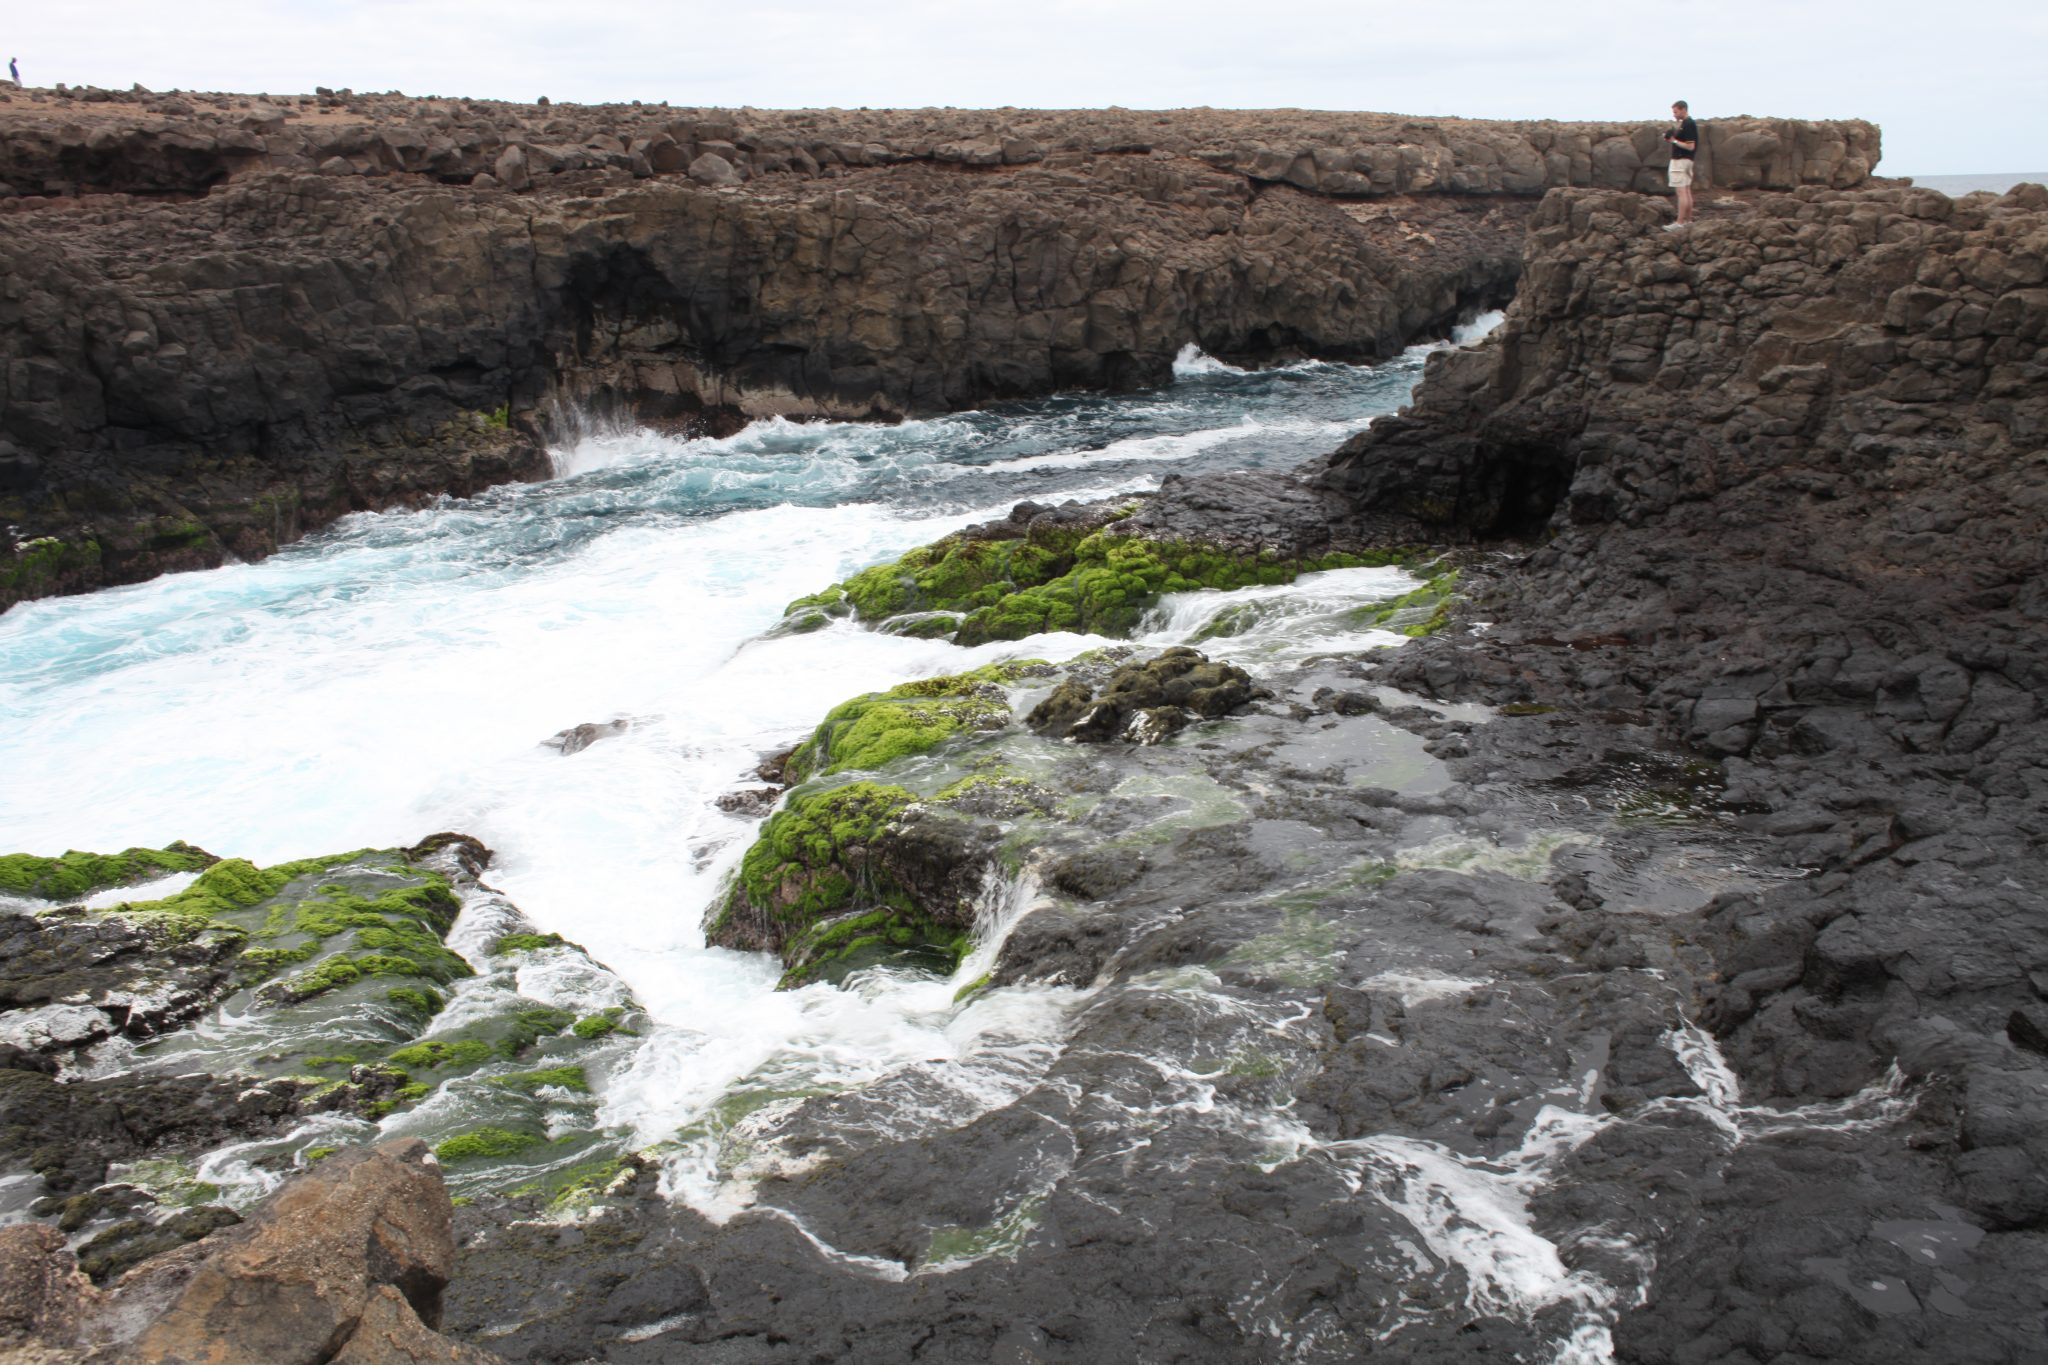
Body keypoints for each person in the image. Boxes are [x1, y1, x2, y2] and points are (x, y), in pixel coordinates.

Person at [1663, 100, 1699, 226]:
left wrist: (1673, 141)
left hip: (1681, 161)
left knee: (1681, 192)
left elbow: (1690, 146)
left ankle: (1679, 223)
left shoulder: (1688, 124)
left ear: (1683, 109)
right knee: (1687, 191)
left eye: (1676, 112)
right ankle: (1688, 221)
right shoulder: (1687, 123)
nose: (1674, 115)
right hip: (1687, 161)